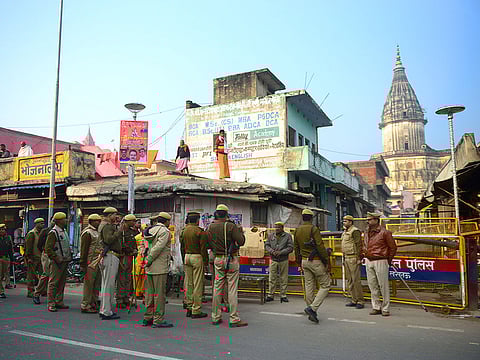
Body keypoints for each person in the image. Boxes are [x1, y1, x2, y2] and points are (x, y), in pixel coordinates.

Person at [207, 204, 247, 327]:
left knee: (217, 288)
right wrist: (240, 231)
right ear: (226, 214)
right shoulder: (230, 226)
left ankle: (215, 316)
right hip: (231, 259)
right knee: (232, 289)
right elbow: (241, 241)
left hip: (218, 259)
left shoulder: (210, 227)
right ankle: (234, 318)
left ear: (216, 214)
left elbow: (208, 244)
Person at [294, 209, 331, 324]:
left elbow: (296, 248)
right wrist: (326, 260)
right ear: (311, 218)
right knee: (325, 285)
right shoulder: (313, 229)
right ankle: (312, 308)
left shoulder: (297, 230)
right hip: (315, 261)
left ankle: (310, 308)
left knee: (309, 285)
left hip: (304, 261)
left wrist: (298, 262)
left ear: (303, 217)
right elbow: (320, 246)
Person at [142, 212, 174, 328]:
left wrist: (146, 261)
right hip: (159, 267)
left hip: (149, 267)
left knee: (149, 294)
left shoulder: (150, 230)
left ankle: (147, 317)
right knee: (159, 295)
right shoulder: (164, 232)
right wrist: (149, 259)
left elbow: (144, 246)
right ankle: (158, 319)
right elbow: (158, 248)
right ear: (166, 221)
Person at [363, 212, 397, 317]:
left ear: (376, 220)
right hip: (369, 260)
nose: (368, 222)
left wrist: (388, 260)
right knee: (372, 285)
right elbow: (364, 245)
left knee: (383, 286)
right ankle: (376, 307)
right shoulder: (367, 232)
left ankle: (385, 308)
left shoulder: (385, 233)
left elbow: (393, 248)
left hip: (381, 260)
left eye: (370, 219)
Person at [180, 211, 209, 318]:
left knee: (189, 283)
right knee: (198, 284)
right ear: (197, 220)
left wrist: (184, 258)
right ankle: (196, 309)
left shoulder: (184, 231)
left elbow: (181, 247)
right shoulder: (199, 232)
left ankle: (189, 305)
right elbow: (203, 248)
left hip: (187, 256)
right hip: (197, 257)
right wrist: (205, 262)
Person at [44, 212, 72, 312]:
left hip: (65, 260)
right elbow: (48, 248)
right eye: (64, 219)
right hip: (57, 261)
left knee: (62, 282)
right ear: (59, 221)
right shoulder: (53, 232)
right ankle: (51, 303)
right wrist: (56, 258)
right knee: (53, 283)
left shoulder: (64, 231)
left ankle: (59, 301)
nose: (66, 221)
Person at [98, 207, 122, 320]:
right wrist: (118, 232)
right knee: (109, 285)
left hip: (109, 256)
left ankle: (104, 309)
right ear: (109, 215)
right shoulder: (107, 226)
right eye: (114, 214)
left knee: (106, 284)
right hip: (111, 256)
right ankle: (106, 311)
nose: (116, 217)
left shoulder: (105, 225)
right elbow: (108, 239)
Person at [79, 214, 102, 313]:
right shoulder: (87, 233)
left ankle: (93, 302)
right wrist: (83, 264)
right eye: (97, 221)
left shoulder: (97, 232)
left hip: (98, 261)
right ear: (91, 221)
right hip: (89, 261)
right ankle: (85, 304)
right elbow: (84, 249)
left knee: (96, 284)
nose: (99, 223)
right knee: (89, 284)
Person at [265, 221, 294, 303]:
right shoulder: (271, 236)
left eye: (278, 227)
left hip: (283, 260)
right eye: (276, 227)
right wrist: (272, 251)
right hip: (273, 259)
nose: (277, 229)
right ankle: (270, 295)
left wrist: (281, 252)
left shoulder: (288, 236)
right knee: (272, 278)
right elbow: (266, 245)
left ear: (282, 228)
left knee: (283, 278)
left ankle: (283, 295)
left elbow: (290, 247)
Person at [341, 215, 365, 309]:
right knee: (350, 280)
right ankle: (353, 299)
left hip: (353, 257)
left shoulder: (355, 231)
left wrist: (359, 258)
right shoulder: (345, 232)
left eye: (346, 221)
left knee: (356, 280)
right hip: (346, 257)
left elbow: (358, 244)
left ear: (351, 222)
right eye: (343, 221)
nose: (344, 223)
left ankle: (360, 301)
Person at [116, 214, 138, 309]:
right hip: (123, 256)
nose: (134, 223)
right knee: (122, 278)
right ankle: (120, 299)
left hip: (130, 256)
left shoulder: (132, 231)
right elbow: (121, 244)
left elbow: (134, 242)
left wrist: (135, 250)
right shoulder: (121, 231)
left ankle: (126, 297)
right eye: (132, 221)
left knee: (128, 278)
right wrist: (130, 250)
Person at [33, 218, 55, 304]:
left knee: (55, 277)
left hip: (57, 256)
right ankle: (37, 293)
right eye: (53, 220)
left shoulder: (62, 231)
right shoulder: (45, 231)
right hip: (47, 255)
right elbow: (39, 245)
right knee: (46, 274)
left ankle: (55, 297)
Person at [24, 218, 45, 298]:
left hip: (41, 257)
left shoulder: (41, 233)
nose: (42, 225)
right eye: (41, 223)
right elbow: (28, 247)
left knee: (41, 275)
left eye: (43, 223)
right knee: (31, 276)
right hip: (33, 258)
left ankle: (41, 290)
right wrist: (29, 257)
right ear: (36, 224)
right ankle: (30, 291)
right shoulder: (32, 233)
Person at [134, 223, 148, 299]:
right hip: (138, 259)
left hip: (145, 259)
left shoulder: (149, 237)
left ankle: (143, 292)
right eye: (144, 229)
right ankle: (137, 292)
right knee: (137, 277)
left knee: (144, 277)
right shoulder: (137, 237)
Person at [0, 224, 14, 299]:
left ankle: (7, 284)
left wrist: (12, 258)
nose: (2, 231)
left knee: (4, 274)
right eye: (1, 229)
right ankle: (1, 291)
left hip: (6, 258)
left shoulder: (8, 238)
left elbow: (10, 249)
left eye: (4, 229)